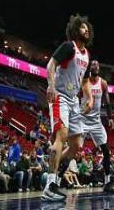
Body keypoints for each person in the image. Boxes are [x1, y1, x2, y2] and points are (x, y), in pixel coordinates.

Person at [42, 14, 94, 201]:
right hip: (60, 96)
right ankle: (49, 185)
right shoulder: (68, 47)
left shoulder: (87, 55)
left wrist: (89, 97)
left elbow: (85, 81)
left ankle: (53, 175)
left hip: (74, 100)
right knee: (61, 136)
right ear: (74, 30)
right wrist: (50, 86)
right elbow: (51, 64)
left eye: (87, 27)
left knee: (76, 145)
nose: (85, 29)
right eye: (82, 27)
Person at [80, 59, 114, 193]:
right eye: (93, 64)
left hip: (96, 121)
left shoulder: (103, 83)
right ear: (90, 67)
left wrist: (110, 117)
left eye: (97, 64)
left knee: (106, 151)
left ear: (99, 68)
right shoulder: (84, 81)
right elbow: (77, 97)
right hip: (82, 118)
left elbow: (108, 103)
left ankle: (107, 182)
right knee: (73, 148)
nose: (96, 66)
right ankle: (57, 181)